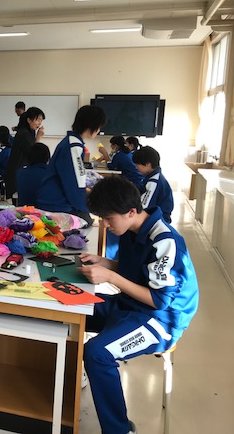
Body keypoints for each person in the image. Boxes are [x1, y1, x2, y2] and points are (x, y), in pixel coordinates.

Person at [79, 175, 199, 434]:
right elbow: (137, 271)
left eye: (108, 218)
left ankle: (120, 430)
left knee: (97, 353)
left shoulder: (165, 241)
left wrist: (110, 277)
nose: (105, 225)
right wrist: (105, 263)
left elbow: (159, 300)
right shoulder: (130, 229)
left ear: (131, 211)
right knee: (74, 308)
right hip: (132, 304)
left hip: (162, 320)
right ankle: (73, 377)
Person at [36, 105, 106, 224]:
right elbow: (75, 185)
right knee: (89, 220)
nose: (99, 130)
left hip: (53, 201)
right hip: (56, 206)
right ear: (92, 126)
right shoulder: (74, 147)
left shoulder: (70, 142)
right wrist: (87, 208)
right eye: (99, 126)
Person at [5, 107, 46, 198]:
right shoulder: (23, 134)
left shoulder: (27, 132)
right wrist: (38, 137)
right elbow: (34, 154)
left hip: (20, 173)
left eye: (41, 120)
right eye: (38, 119)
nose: (40, 123)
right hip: (17, 174)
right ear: (29, 120)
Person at [133, 146, 174, 223]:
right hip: (156, 218)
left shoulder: (154, 182)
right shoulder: (152, 177)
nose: (136, 167)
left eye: (138, 164)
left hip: (158, 222)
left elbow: (143, 207)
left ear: (147, 164)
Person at [16, 142, 51, 207]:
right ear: (47, 158)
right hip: (43, 212)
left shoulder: (20, 172)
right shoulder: (50, 174)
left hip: (24, 211)